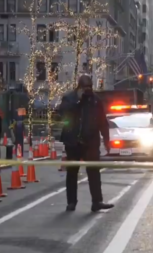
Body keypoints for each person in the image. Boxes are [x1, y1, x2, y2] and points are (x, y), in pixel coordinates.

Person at [59, 74, 113, 212]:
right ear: (79, 87)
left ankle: (97, 201)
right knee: (72, 173)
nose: (88, 90)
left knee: (94, 172)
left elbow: (102, 121)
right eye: (85, 87)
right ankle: (71, 202)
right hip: (73, 141)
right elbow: (62, 113)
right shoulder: (69, 98)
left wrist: (106, 140)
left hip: (91, 141)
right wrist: (78, 102)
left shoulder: (95, 100)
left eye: (90, 87)